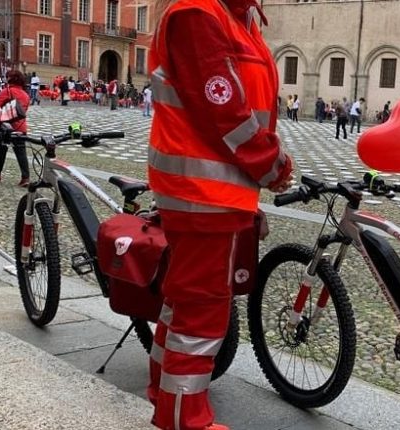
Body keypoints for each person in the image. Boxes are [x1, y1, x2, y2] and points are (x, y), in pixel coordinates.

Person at [146, 0, 293, 428]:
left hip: (210, 189)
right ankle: (184, 418)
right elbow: (223, 108)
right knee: (203, 312)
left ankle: (164, 394)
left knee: (183, 303)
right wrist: (271, 164)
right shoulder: (200, 13)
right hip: (203, 191)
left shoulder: (233, 14)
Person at [0, 70, 31, 187]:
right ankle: (25, 178)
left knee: (1, 149)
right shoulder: (26, 95)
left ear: (10, 79)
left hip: (5, 126)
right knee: (21, 153)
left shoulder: (7, 91)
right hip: (20, 126)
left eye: (7, 77)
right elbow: (23, 111)